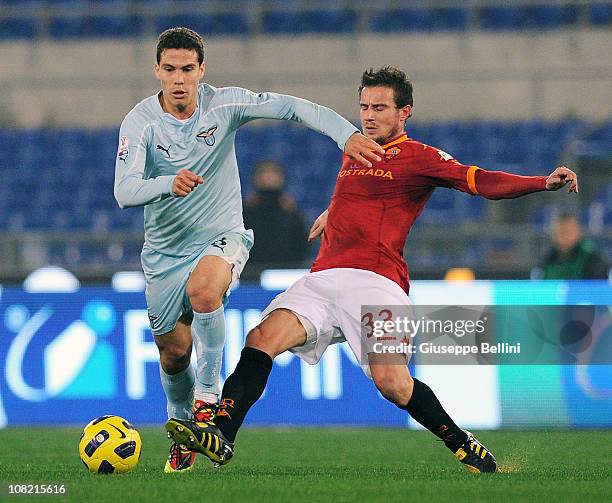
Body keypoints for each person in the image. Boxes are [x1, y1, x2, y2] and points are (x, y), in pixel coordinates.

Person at [165, 66, 578, 473]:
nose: (368, 115)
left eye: (379, 107)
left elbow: (481, 181)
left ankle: (458, 439)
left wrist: (542, 182)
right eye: (364, 106)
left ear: (404, 113)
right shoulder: (355, 147)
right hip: (323, 279)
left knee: (393, 384)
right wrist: (335, 212)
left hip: (376, 284)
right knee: (261, 337)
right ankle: (222, 433)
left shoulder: (419, 157)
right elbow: (368, 194)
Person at [113, 27, 384, 473]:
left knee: (206, 293)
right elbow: (124, 191)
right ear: (156, 71)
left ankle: (207, 401)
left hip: (224, 235)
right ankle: (181, 426)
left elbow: (291, 107)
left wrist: (344, 134)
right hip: (163, 254)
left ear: (202, 70)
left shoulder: (225, 105)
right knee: (173, 353)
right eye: (169, 70)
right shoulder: (140, 122)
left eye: (187, 69)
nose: (178, 79)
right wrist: (168, 184)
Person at [243, 161, 309, 266]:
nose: (269, 177)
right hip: (250, 274)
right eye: (264, 172)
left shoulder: (292, 216)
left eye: (273, 173)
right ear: (255, 178)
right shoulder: (244, 215)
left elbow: (301, 247)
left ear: (281, 178)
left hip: (284, 274)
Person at [535, 213, 608, 279]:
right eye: (560, 232)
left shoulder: (592, 257)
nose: (564, 236)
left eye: (568, 232)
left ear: (579, 232)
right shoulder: (547, 259)